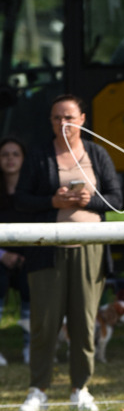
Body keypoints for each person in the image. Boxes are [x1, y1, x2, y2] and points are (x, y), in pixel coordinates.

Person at [15, 94, 122, 411]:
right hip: (47, 251)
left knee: (84, 324)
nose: (63, 123)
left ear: (83, 120)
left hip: (90, 251)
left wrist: (89, 200)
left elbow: (116, 200)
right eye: (56, 118)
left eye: (69, 117)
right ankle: (38, 390)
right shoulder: (38, 156)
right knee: (44, 325)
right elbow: (20, 200)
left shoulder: (97, 154)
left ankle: (81, 388)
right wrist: (53, 202)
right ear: (50, 122)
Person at [0, 136, 31, 365]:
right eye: (5, 154)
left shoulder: (32, 191)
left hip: (28, 256)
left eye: (15, 154)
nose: (10, 159)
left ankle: (31, 347)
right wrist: (4, 255)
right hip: (1, 257)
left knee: (32, 287)